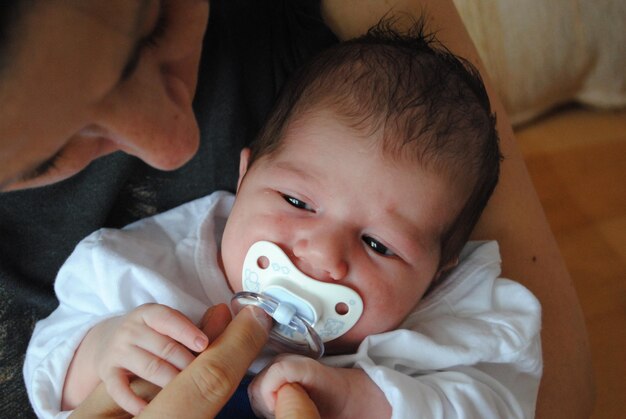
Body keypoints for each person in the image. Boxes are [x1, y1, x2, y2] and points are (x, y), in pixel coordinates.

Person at [0, 1, 593, 418]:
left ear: (442, 269)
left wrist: (370, 404)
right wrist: (104, 352)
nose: (322, 254)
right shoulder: (142, 267)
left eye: (380, 245)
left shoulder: (455, 317)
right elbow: (51, 362)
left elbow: (506, 399)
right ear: (245, 174)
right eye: (297, 202)